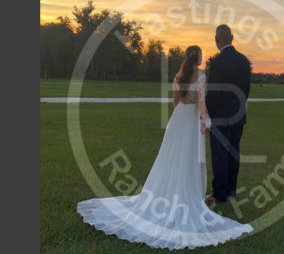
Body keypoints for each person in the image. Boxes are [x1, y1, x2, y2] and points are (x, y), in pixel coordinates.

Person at [77, 45, 253, 250]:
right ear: (200, 59)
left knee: (172, 157)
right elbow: (200, 103)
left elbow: (176, 102)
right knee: (190, 157)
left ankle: (169, 191)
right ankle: (190, 193)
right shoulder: (201, 76)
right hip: (191, 121)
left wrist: (178, 118)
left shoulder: (179, 75)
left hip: (178, 119)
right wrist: (206, 120)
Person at [206, 24, 251, 203]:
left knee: (220, 155)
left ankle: (219, 193)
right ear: (232, 38)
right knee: (233, 153)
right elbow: (246, 90)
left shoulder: (217, 62)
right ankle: (231, 189)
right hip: (238, 115)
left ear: (216, 40)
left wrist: (207, 114)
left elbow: (214, 92)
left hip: (220, 117)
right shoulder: (243, 61)